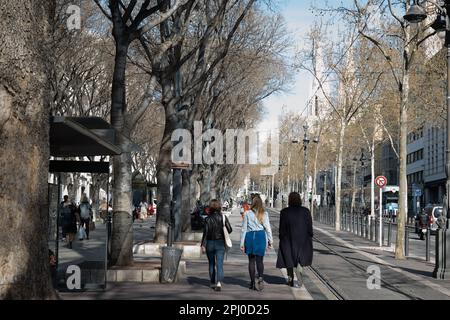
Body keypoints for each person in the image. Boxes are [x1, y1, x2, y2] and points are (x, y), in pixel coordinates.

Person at [276, 192, 313, 287]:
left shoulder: (284, 212)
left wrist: (281, 237)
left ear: (289, 200)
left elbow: (282, 228)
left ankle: (290, 277)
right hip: (303, 240)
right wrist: (309, 236)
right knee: (300, 258)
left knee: (289, 258)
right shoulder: (306, 211)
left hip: (288, 240)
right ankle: (299, 272)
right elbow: (309, 227)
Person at [240, 196, 273, 291]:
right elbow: (268, 228)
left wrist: (242, 243)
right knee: (260, 260)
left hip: (250, 237)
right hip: (260, 237)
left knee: (251, 261)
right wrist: (270, 241)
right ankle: (261, 277)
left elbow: (244, 229)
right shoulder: (264, 214)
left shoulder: (247, 213)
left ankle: (252, 283)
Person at [201, 199, 232, 292]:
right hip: (220, 243)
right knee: (219, 263)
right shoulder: (223, 217)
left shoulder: (207, 219)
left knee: (211, 263)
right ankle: (219, 283)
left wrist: (202, 244)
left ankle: (212, 281)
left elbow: (205, 233)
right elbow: (230, 230)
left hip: (210, 243)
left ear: (210, 207)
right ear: (219, 207)